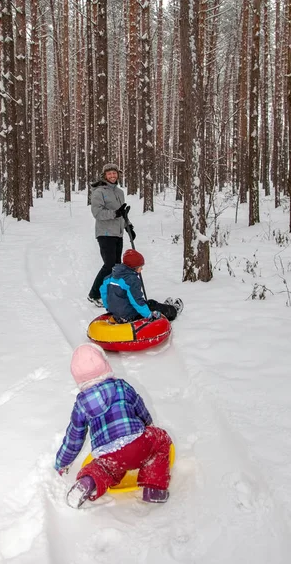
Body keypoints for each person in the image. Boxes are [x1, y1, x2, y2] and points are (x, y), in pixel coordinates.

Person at [54, 343, 172, 508]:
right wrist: (149, 426)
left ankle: (88, 482)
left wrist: (62, 462)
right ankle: (154, 488)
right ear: (106, 365)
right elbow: (140, 407)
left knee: (103, 468)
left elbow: (74, 439)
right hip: (137, 444)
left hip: (108, 455)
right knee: (161, 440)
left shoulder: (81, 405)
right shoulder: (121, 387)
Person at [87, 164, 135, 308]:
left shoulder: (119, 192)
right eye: (109, 174)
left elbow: (122, 213)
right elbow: (97, 213)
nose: (112, 176)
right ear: (105, 176)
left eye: (114, 173)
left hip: (117, 233)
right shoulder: (99, 192)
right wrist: (115, 213)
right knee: (109, 265)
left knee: (116, 266)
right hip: (105, 233)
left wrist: (129, 226)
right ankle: (93, 294)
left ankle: (110, 292)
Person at [100, 249, 183, 323]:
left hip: (116, 313)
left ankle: (165, 307)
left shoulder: (109, 277)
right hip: (129, 315)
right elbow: (136, 301)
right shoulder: (132, 280)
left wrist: (109, 308)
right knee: (151, 304)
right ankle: (173, 310)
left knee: (147, 304)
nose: (141, 269)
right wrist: (148, 315)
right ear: (134, 267)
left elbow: (103, 293)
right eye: (140, 267)